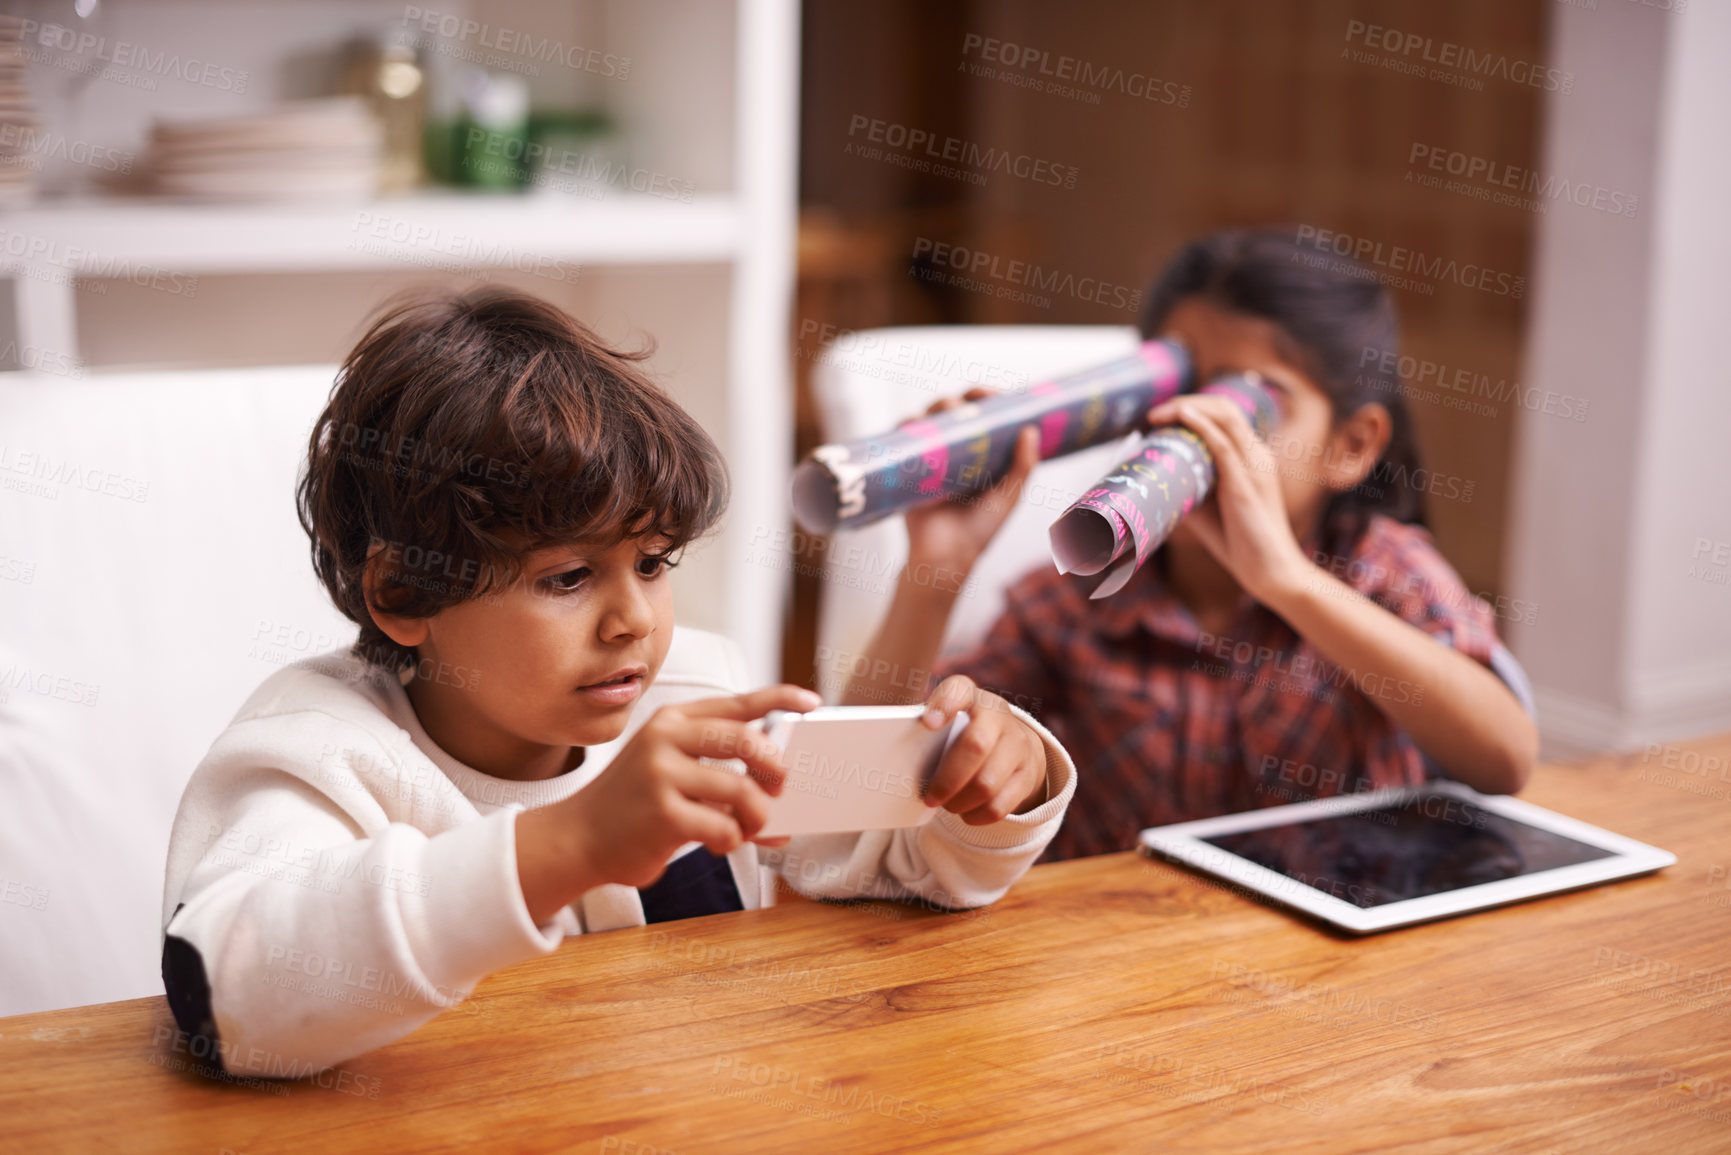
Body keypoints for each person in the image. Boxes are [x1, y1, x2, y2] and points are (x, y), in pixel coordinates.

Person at [159, 289, 1075, 1075]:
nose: (633, 618)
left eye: (652, 561)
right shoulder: (320, 750)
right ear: (404, 591)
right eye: (566, 577)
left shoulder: (689, 691)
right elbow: (227, 996)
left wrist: (993, 782)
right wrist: (573, 843)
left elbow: (899, 863)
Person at [845, 227, 1537, 861]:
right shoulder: (1073, 607)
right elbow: (858, 790)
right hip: (1136, 963)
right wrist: (936, 570)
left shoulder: (1381, 571)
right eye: (1183, 389)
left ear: (1350, 446)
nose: (1200, 428)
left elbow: (1504, 758)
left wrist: (1287, 582)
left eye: (1255, 405)